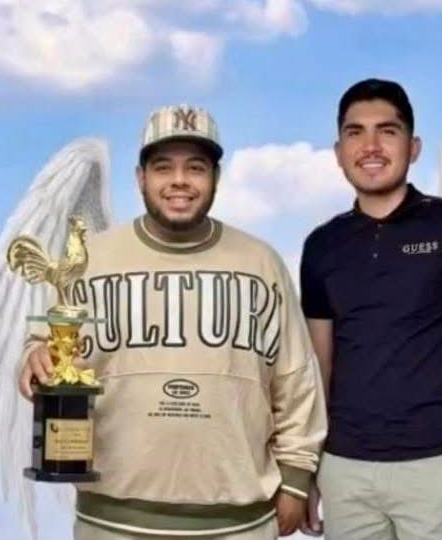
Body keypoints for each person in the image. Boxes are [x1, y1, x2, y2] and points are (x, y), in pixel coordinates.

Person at [18, 104, 327, 540]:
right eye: (163, 167)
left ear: (216, 178)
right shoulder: (90, 259)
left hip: (239, 522)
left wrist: (295, 479)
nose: (179, 180)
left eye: (195, 167)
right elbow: (46, 352)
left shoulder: (261, 263)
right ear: (140, 177)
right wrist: (34, 360)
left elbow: (296, 381)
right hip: (112, 521)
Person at [299, 79, 442, 540]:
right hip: (345, 473)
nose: (370, 146)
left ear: (414, 146)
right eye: (355, 133)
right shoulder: (322, 246)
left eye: (388, 131)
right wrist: (310, 468)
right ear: (339, 152)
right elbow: (319, 367)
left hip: (437, 471)